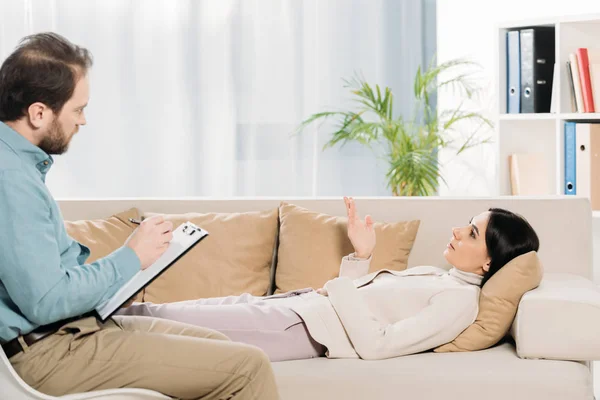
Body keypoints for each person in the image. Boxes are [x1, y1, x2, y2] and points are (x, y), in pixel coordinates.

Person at [0, 32, 279, 399]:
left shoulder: (17, 166)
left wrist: (119, 281)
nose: (83, 121)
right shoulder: (12, 178)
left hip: (69, 332)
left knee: (217, 345)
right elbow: (47, 300)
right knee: (248, 367)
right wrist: (131, 257)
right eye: (78, 109)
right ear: (39, 113)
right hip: (49, 353)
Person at [119, 196, 540, 361]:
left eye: (472, 234)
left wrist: (337, 287)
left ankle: (70, 334)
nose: (456, 232)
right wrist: (361, 255)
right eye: (466, 224)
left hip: (302, 328)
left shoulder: (458, 303)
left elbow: (378, 345)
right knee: (155, 312)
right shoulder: (441, 276)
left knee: (161, 323)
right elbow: (362, 299)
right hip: (298, 307)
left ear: (489, 264)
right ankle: (73, 321)